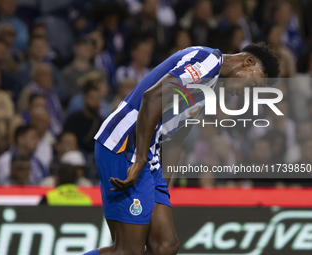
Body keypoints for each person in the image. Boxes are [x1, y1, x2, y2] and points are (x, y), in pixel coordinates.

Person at [84, 44, 280, 255]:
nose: (244, 92)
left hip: (150, 156)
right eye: (252, 84)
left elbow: (177, 137)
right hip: (124, 146)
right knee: (127, 251)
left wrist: (162, 191)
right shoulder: (207, 61)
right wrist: (140, 159)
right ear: (248, 62)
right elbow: (153, 97)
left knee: (165, 247)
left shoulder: (210, 87)